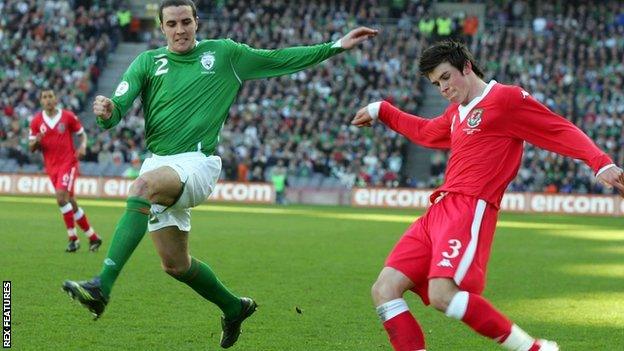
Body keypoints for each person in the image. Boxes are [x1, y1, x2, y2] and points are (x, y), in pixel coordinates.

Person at [61, 0, 377, 348]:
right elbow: (116, 109)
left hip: (198, 162)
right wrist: (106, 112)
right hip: (159, 161)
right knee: (175, 265)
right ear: (161, 27)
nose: (180, 30)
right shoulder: (147, 62)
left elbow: (279, 59)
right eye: (172, 24)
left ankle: (102, 286)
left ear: (197, 22)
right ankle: (233, 306)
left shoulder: (225, 54)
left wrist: (335, 46)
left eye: (186, 22)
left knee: (142, 188)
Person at [351, 40, 624, 351]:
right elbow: (426, 132)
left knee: (442, 294)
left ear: (466, 67)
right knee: (384, 289)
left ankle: (535, 349)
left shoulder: (506, 99)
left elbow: (557, 128)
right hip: (436, 212)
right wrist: (382, 110)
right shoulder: (456, 112)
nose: (442, 88)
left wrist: (600, 161)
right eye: (435, 83)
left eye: (445, 77)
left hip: (469, 208)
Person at [29, 89, 102, 253]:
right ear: (41, 101)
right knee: (70, 201)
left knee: (61, 198)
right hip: (51, 167)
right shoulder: (36, 122)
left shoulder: (68, 116)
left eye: (50, 96)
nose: (48, 100)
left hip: (68, 163)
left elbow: (82, 135)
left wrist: (83, 146)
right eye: (44, 97)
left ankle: (73, 239)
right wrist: (37, 142)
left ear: (56, 99)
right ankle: (93, 237)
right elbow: (31, 147)